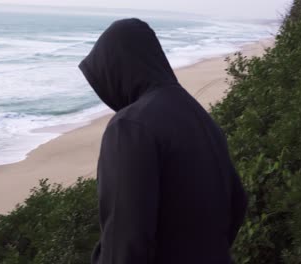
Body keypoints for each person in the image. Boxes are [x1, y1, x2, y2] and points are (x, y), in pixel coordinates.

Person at [78, 18, 247, 264]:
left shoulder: (130, 125)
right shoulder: (198, 115)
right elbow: (238, 202)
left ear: (117, 71)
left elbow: (125, 240)